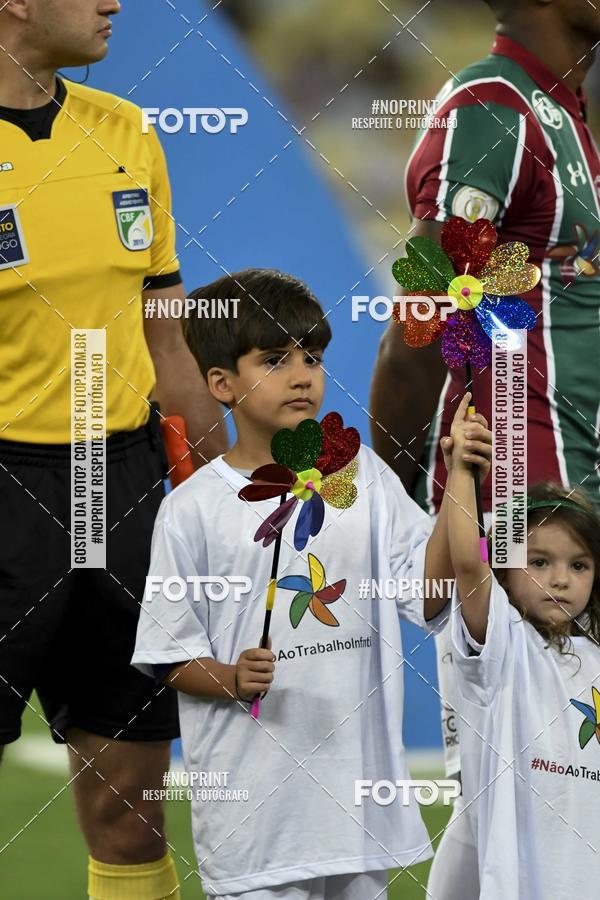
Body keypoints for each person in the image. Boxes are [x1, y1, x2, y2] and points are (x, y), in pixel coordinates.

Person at [131, 268, 493, 900]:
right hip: (256, 833)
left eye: (313, 357)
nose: (302, 375)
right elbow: (166, 655)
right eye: (274, 360)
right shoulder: (189, 512)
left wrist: (458, 476)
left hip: (359, 822)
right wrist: (230, 676)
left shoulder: (364, 476)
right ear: (220, 383)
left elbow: (428, 595)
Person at [370, 2, 600, 894]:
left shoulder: (562, 112)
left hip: (574, 486)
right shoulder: (491, 110)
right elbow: (421, 316)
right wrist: (385, 494)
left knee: (542, 802)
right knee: (523, 795)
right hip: (521, 502)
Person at [0, 2, 226, 898]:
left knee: (129, 806)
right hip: (5, 482)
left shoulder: (126, 130)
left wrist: (226, 503)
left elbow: (167, 343)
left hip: (117, 482)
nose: (112, 3)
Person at [446, 401, 600, 898]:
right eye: (539, 561)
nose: (561, 579)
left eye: (580, 566)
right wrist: (462, 472)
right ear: (507, 569)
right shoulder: (503, 646)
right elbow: (470, 564)